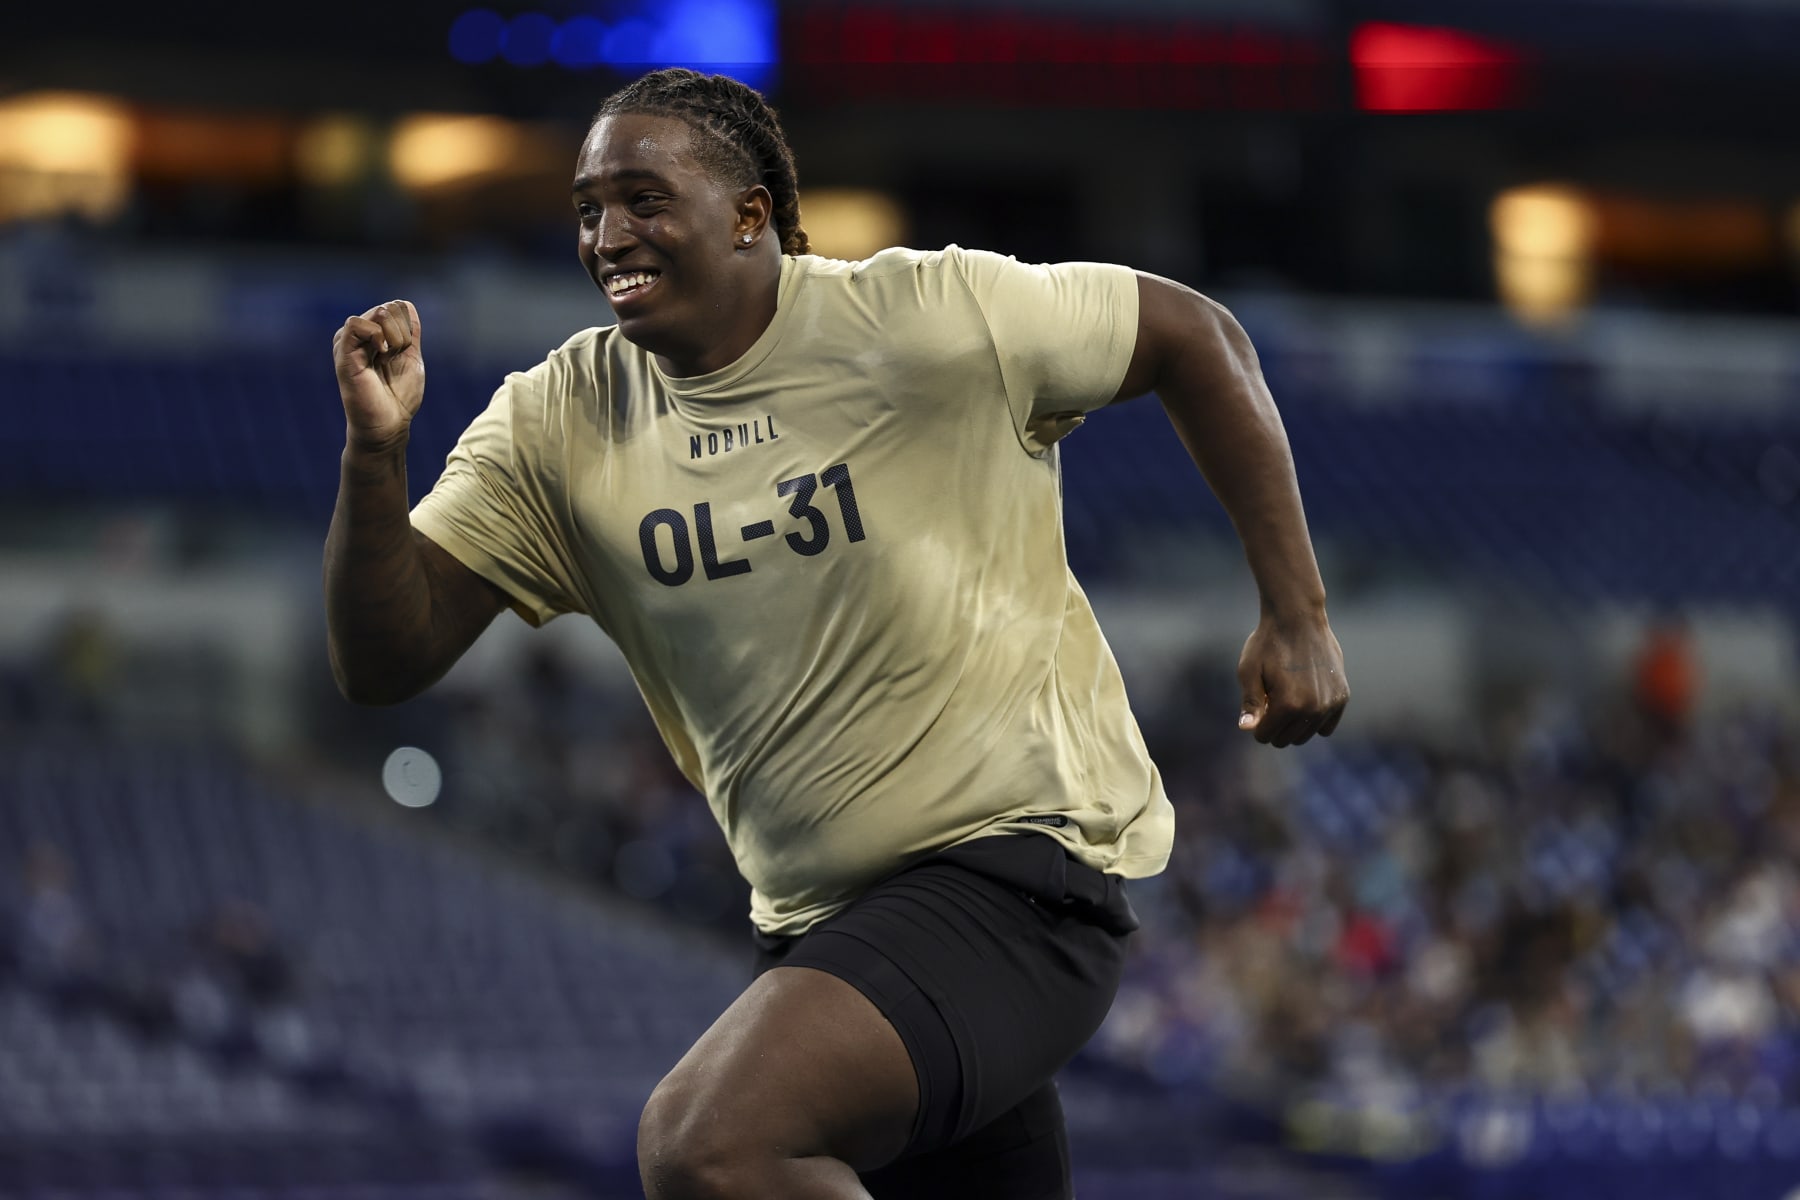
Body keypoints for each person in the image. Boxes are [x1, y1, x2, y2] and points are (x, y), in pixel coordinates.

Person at [326, 68, 1348, 1200]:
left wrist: (1295, 611)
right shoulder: (560, 420)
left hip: (1012, 880)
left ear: (751, 212)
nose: (609, 234)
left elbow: (1196, 336)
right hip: (823, 932)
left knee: (710, 1143)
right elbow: (386, 659)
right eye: (587, 209)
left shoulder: (922, 318)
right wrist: (376, 459)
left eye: (643, 200)